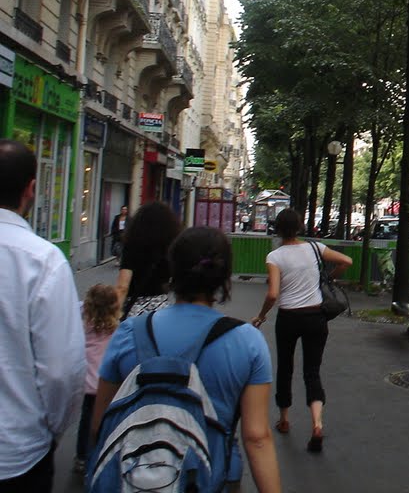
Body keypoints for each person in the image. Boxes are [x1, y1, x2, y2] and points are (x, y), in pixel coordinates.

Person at [94, 227, 281, 493]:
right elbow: (257, 438)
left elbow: (101, 423)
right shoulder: (247, 342)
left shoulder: (128, 333)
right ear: (224, 276)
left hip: (134, 475)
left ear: (173, 270)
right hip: (214, 475)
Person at [0, 139, 85, 491]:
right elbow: (62, 372)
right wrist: (53, 429)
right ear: (31, 189)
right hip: (17, 453)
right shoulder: (43, 260)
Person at [252, 208, 353, 453]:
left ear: (277, 229)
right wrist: (328, 278)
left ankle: (284, 419)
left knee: (286, 367)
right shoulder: (315, 248)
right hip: (316, 317)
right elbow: (346, 261)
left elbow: (273, 293)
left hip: (288, 318)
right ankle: (317, 424)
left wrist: (262, 315)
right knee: (312, 371)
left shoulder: (275, 257)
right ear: (299, 227)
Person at [73, 284, 120, 475]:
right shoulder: (116, 329)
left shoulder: (83, 323)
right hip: (106, 383)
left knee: (86, 421)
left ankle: (82, 457)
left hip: (86, 385)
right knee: (106, 420)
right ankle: (102, 453)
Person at [116, 201, 180, 319]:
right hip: (161, 309)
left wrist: (115, 314)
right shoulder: (170, 247)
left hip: (135, 310)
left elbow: (122, 287)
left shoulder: (132, 245)